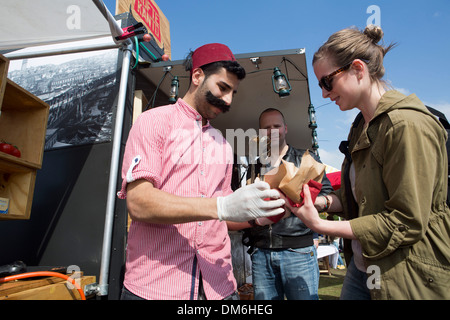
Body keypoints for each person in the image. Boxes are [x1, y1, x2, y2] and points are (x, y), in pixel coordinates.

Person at [285, 25, 450, 300]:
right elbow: (361, 198)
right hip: (363, 266)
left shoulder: (406, 124)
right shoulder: (361, 125)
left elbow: (405, 221)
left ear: (358, 69)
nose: (324, 94)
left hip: (405, 274)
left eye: (327, 82)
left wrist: (322, 225)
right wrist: (321, 202)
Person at [117, 43, 286, 300]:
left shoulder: (222, 143)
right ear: (197, 76)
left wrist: (255, 217)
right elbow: (139, 203)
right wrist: (220, 206)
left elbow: (224, 213)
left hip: (220, 287)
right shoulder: (153, 122)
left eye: (233, 92)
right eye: (222, 87)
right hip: (157, 288)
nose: (228, 99)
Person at [228, 108, 333, 300]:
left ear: (285, 128)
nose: (272, 131)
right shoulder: (255, 166)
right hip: (261, 253)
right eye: (266, 128)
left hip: (298, 251)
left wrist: (301, 203)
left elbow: (330, 197)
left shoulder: (306, 159)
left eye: (276, 126)